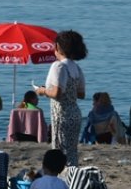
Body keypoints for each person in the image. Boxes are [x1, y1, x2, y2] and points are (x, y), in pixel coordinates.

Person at [34, 30, 86, 167]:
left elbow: (57, 93)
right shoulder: (76, 68)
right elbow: (81, 94)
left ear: (57, 47)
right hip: (75, 114)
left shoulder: (58, 66)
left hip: (61, 115)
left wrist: (43, 91)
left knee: (59, 151)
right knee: (72, 152)